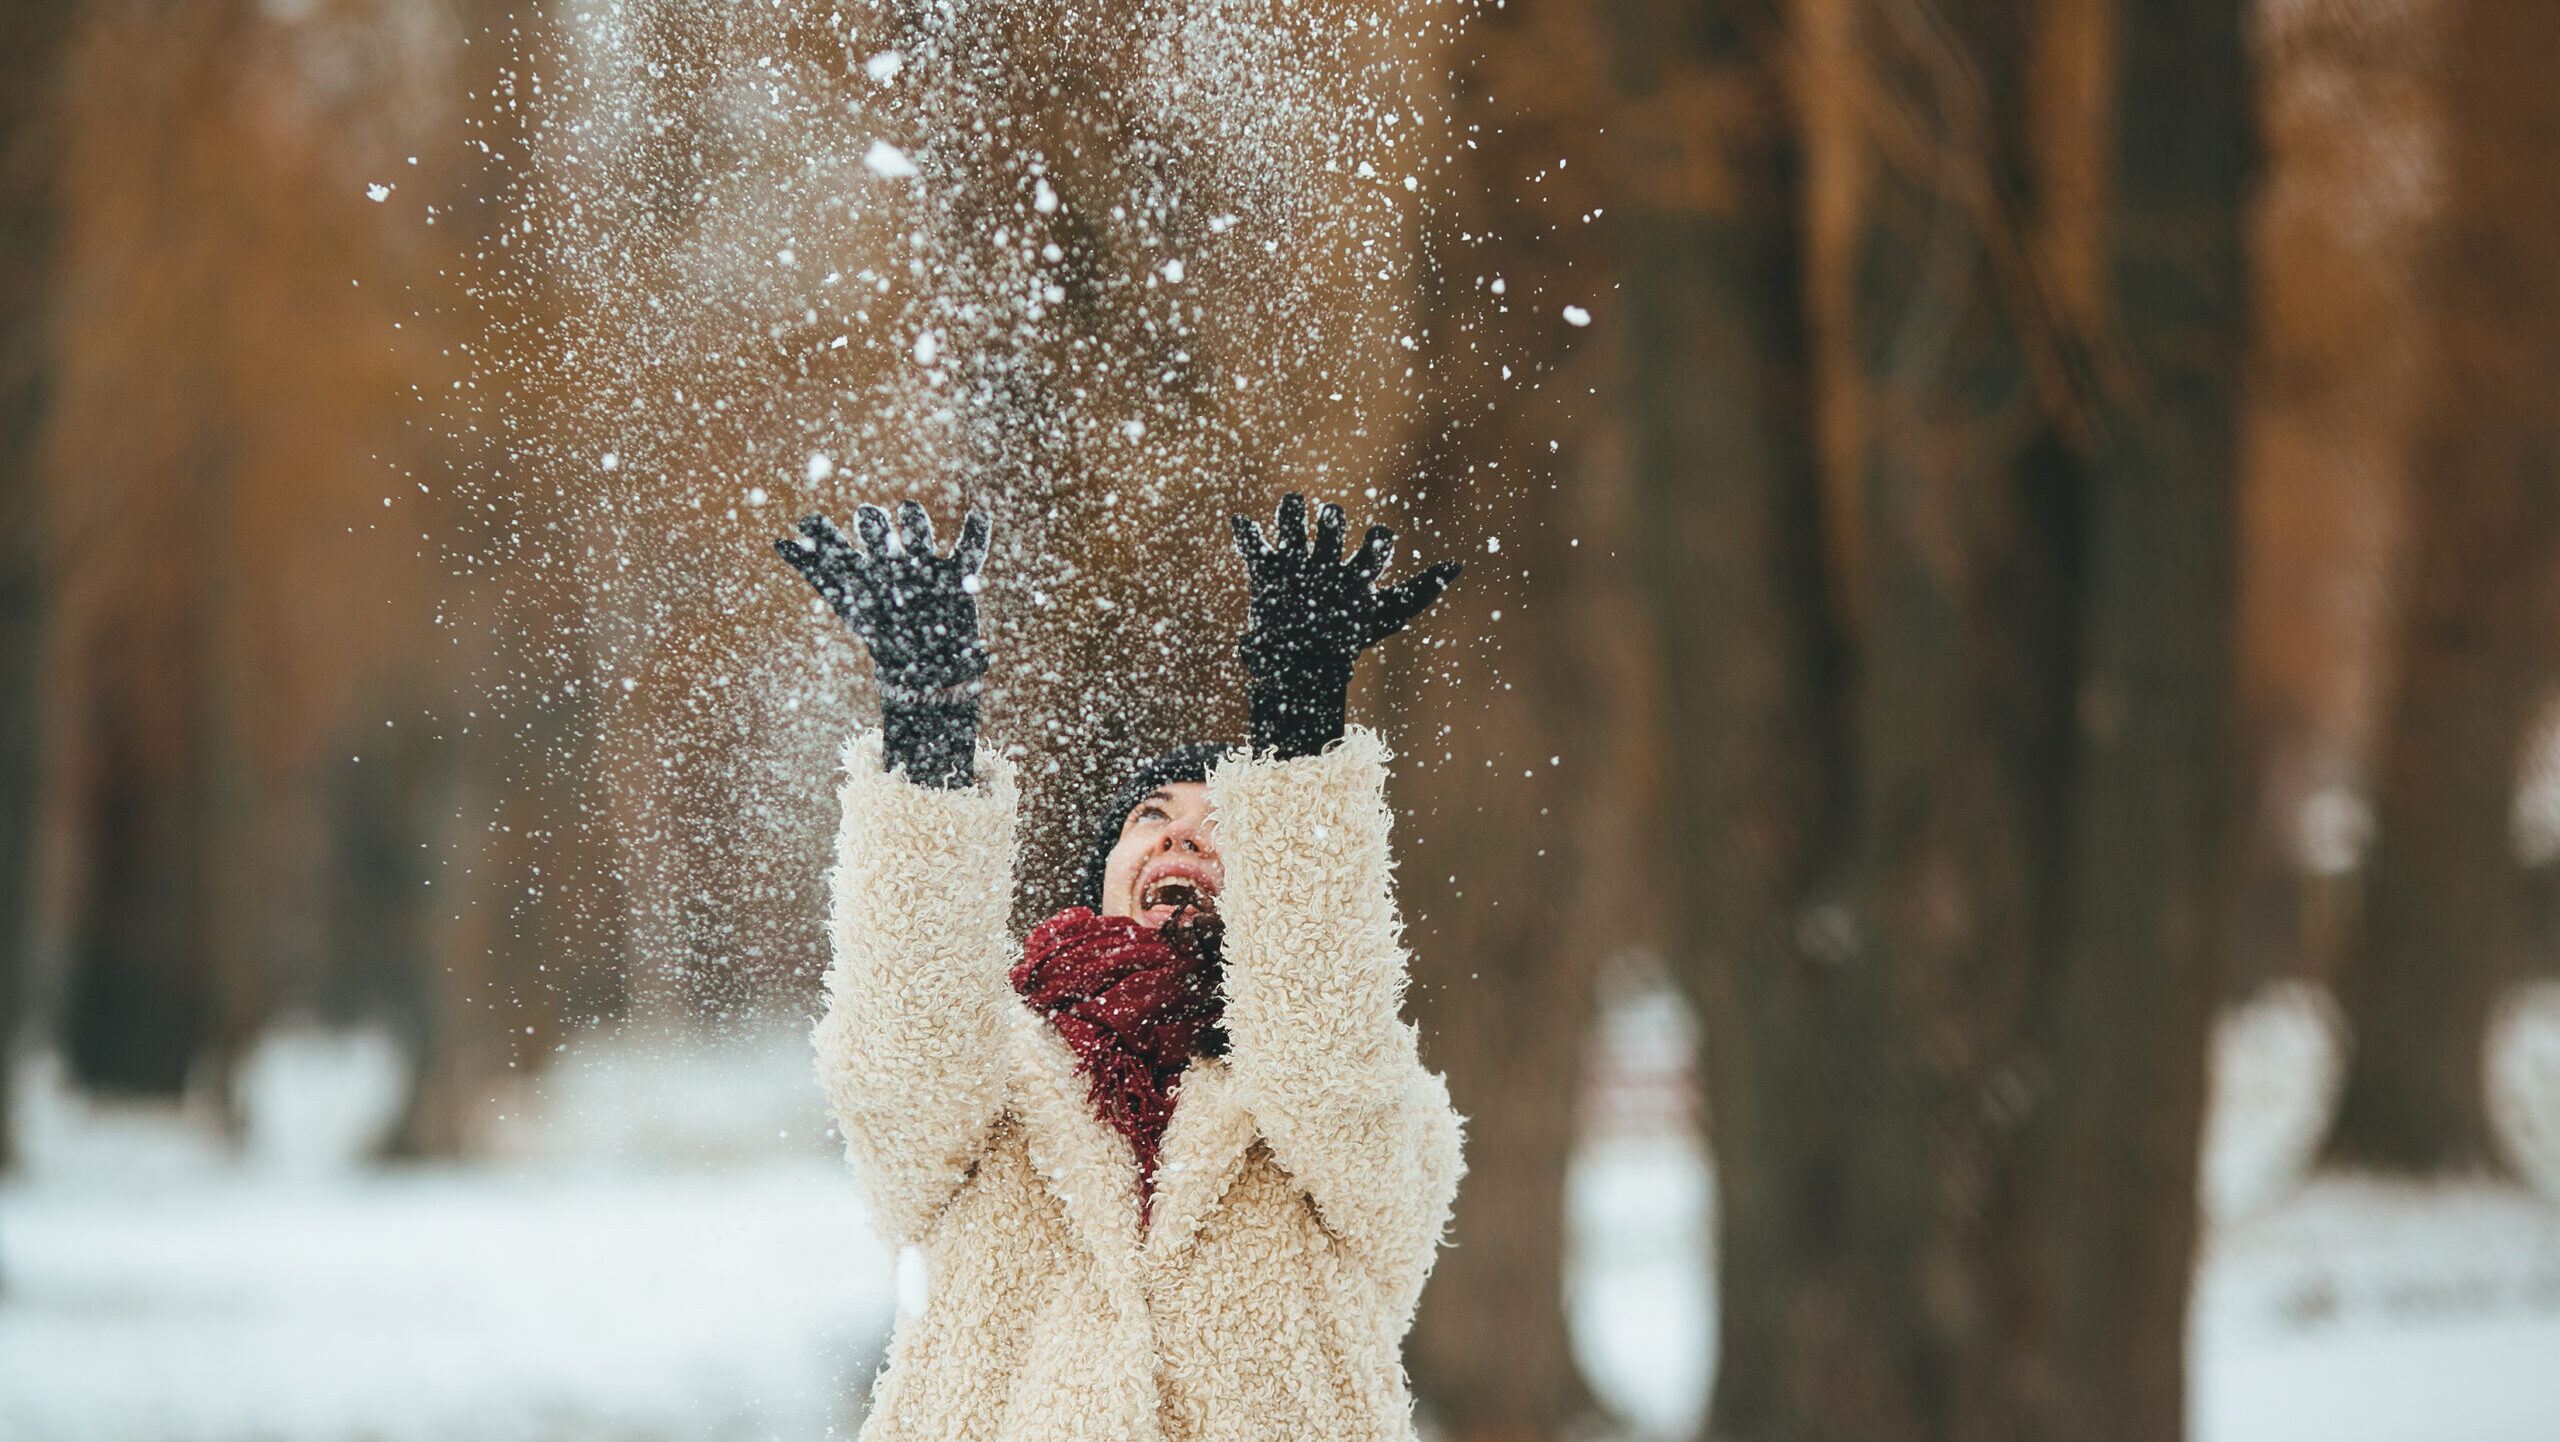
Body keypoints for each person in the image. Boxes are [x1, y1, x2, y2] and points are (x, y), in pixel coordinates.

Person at [775, 493, 1464, 1442]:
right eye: (1153, 815)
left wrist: (1301, 729)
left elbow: (1324, 1062)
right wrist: (928, 737)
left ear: (1279, 875)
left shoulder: (1380, 1108)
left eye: (1226, 822)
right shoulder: (993, 1078)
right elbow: (903, 1060)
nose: (1184, 829)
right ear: (1103, 879)